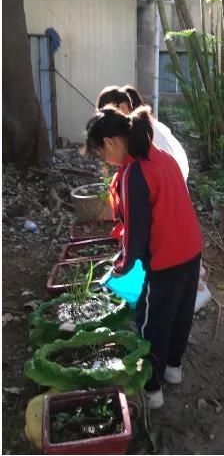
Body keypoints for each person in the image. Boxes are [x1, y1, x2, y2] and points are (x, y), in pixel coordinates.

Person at [85, 105, 203, 409]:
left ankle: (152, 391)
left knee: (151, 323)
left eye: (100, 152)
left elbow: (136, 235)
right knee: (180, 315)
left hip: (165, 261)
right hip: (191, 251)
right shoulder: (162, 158)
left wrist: (118, 268)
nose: (104, 160)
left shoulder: (135, 173)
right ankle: (173, 370)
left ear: (111, 142)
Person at [95, 85, 189, 182]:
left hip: (170, 184)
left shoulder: (142, 134)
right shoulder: (144, 126)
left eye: (107, 117)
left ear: (123, 108)